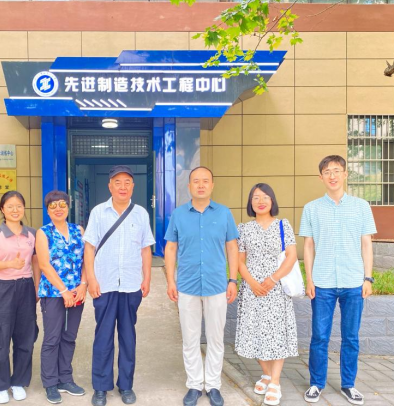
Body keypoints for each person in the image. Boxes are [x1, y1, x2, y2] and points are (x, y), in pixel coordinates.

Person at [301, 155, 376, 406]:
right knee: (319, 337)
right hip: (322, 283)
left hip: (353, 282)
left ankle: (348, 385)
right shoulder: (311, 208)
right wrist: (309, 279)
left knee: (351, 337)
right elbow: (308, 246)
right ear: (320, 177)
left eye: (336, 170)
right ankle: (316, 384)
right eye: (327, 171)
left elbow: (366, 244)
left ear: (345, 174)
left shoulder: (361, 206)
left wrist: (368, 278)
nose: (332, 175)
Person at [164, 166, 239, 406]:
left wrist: (233, 279)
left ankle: (213, 385)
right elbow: (171, 248)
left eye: (205, 181)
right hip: (187, 285)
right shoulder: (178, 214)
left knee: (216, 338)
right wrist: (170, 280)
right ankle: (195, 385)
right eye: (196, 181)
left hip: (217, 285)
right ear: (189, 186)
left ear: (212, 185)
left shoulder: (224, 213)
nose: (201, 185)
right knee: (190, 338)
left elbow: (232, 247)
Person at [84, 165, 155, 406]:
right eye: (117, 182)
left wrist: (147, 278)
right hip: (104, 284)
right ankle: (100, 387)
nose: (122, 187)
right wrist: (91, 279)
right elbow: (89, 248)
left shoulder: (141, 214)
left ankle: (126, 385)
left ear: (133, 186)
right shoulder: (98, 212)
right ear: (110, 186)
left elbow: (145, 249)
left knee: (128, 337)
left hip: (131, 285)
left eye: (127, 182)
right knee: (103, 338)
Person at [235, 183, 299, 406]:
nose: (260, 201)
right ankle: (266, 374)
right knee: (254, 333)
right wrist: (252, 283)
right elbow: (239, 261)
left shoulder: (283, 225)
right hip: (252, 290)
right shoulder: (243, 228)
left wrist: (272, 279)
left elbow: (291, 256)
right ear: (250, 203)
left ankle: (275, 382)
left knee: (276, 334)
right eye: (255, 197)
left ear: (272, 200)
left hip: (276, 289)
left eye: (265, 197)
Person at [0, 191, 40, 404]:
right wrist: (10, 264)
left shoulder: (32, 233)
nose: (15, 210)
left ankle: (18, 382)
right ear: (2, 209)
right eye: (10, 206)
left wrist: (36, 287)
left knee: (25, 337)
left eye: (19, 206)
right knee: (0, 338)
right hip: (2, 288)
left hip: (26, 287)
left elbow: (35, 263)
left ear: (24, 208)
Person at [36, 190, 88, 404]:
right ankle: (50, 383)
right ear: (48, 210)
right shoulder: (43, 232)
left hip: (77, 292)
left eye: (62, 204)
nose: (58, 208)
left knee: (70, 337)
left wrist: (83, 284)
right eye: (53, 205)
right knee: (52, 338)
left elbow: (86, 260)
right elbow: (44, 265)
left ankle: (65, 379)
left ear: (68, 207)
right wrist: (64, 290)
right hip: (53, 292)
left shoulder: (78, 230)